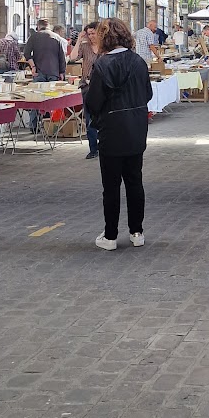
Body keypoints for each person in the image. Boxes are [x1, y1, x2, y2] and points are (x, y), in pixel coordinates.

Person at [85, 17, 152, 252]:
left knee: (111, 186)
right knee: (135, 181)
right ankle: (137, 231)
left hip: (111, 130)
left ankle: (111, 235)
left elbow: (93, 102)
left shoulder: (102, 66)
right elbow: (148, 94)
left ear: (104, 38)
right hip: (135, 128)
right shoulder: (138, 62)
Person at [70, 21, 102, 159]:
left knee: (104, 118)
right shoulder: (85, 46)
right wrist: (78, 41)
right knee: (89, 119)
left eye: (93, 33)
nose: (91, 36)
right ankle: (93, 149)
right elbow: (72, 58)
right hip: (87, 86)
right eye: (89, 34)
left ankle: (105, 145)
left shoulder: (106, 47)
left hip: (103, 86)